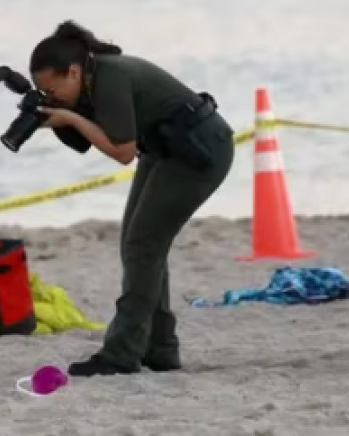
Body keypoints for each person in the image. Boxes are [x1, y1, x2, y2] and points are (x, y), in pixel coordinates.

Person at [28, 21, 234, 377]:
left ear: (74, 72)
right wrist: (60, 118)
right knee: (137, 244)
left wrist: (71, 119)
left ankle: (122, 353)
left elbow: (122, 151)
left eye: (52, 88)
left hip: (200, 152)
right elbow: (93, 139)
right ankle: (160, 348)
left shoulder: (110, 79)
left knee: (143, 245)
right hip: (163, 150)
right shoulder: (91, 80)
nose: (51, 96)